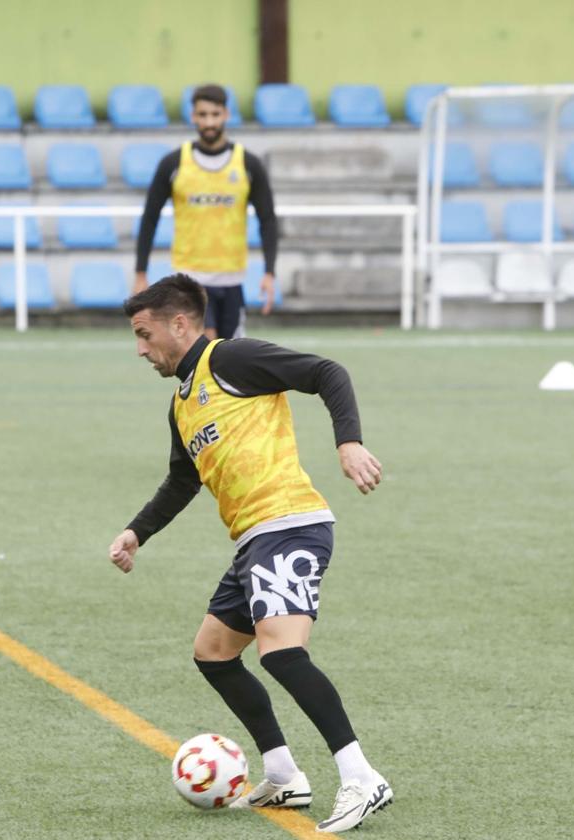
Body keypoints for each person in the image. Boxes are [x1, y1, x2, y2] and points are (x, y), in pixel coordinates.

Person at [107, 275, 391, 833]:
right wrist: (137, 532)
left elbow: (326, 372)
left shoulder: (231, 359)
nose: (139, 349)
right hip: (254, 540)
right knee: (213, 652)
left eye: (144, 334)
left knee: (282, 653)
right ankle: (284, 774)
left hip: (290, 524)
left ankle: (361, 776)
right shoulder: (182, 403)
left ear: (180, 324)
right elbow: (181, 480)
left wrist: (348, 440)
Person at [132, 84, 278, 340]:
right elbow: (150, 218)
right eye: (203, 115)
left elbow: (267, 219)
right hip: (192, 280)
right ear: (193, 116)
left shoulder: (248, 164)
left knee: (231, 357)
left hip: (231, 279)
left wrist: (269, 272)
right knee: (205, 351)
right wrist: (140, 272)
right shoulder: (174, 164)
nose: (209, 122)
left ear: (226, 115)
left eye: (215, 114)